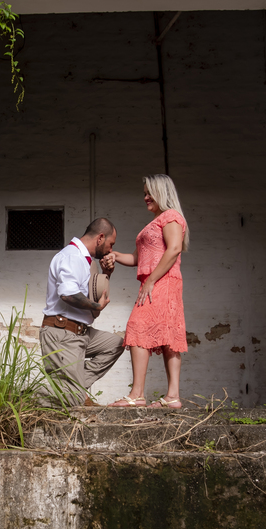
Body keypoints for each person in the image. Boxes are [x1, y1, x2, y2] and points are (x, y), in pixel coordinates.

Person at [106, 174, 189, 408]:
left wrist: (152, 280)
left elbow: (173, 250)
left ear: (161, 192)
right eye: (144, 193)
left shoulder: (171, 217)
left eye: (148, 193)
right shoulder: (157, 221)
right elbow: (136, 258)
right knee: (166, 335)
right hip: (157, 281)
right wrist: (113, 255)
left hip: (162, 281)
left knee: (139, 327)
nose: (145, 198)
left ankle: (137, 395)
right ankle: (172, 397)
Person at [40, 218, 125, 406]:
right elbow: (68, 294)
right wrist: (97, 307)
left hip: (81, 332)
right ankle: (19, 396)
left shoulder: (86, 261)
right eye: (111, 244)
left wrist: (105, 275)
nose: (111, 250)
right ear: (100, 237)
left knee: (116, 344)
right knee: (74, 399)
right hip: (62, 332)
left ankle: (73, 389)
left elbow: (91, 294)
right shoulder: (72, 256)